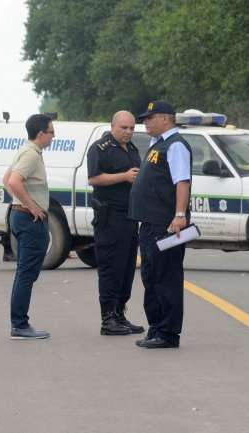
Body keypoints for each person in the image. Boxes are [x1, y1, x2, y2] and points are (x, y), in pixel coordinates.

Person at [129, 100, 192, 349]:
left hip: (166, 225)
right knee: (151, 276)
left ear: (165, 119)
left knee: (166, 278)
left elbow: (182, 182)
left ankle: (168, 333)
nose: (145, 122)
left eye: (150, 117)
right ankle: (156, 328)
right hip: (150, 223)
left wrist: (179, 215)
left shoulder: (175, 146)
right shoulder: (158, 144)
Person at [87, 110, 144, 336]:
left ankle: (120, 313)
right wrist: (124, 176)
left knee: (127, 267)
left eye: (131, 128)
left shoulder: (132, 149)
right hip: (109, 217)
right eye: (124, 128)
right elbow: (94, 178)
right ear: (113, 126)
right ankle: (107, 318)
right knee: (111, 267)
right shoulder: (100, 149)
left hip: (129, 217)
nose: (128, 132)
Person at [2, 114, 54, 340]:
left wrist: (20, 203)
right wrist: (32, 207)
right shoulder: (31, 154)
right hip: (28, 219)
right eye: (51, 131)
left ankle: (19, 322)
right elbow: (13, 182)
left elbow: (6, 179)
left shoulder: (25, 151)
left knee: (24, 272)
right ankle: (20, 324)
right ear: (41, 133)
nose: (53, 136)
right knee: (26, 273)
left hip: (20, 215)